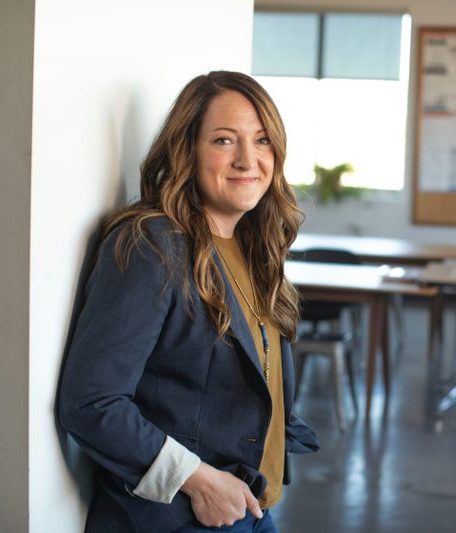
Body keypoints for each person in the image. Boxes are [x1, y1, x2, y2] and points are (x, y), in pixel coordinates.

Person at [58, 71, 319, 533]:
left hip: (249, 507)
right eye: (223, 140)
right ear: (187, 150)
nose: (247, 159)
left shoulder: (253, 246)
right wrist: (197, 480)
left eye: (262, 140)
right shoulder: (152, 245)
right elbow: (91, 401)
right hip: (182, 516)